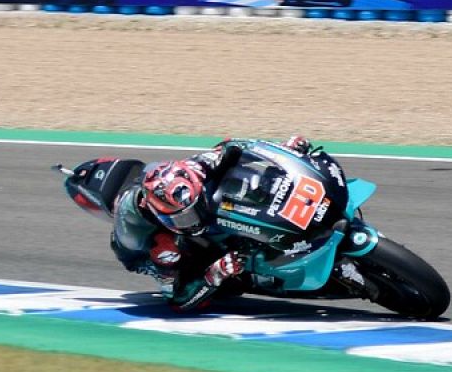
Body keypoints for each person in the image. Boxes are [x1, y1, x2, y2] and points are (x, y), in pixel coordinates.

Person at [111, 134, 313, 312]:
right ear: (161, 216)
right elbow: (177, 299)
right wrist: (217, 272)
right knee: (226, 285)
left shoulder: (194, 169)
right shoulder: (162, 247)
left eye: (194, 207)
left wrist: (284, 149)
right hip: (146, 253)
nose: (194, 218)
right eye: (184, 217)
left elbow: (235, 147)